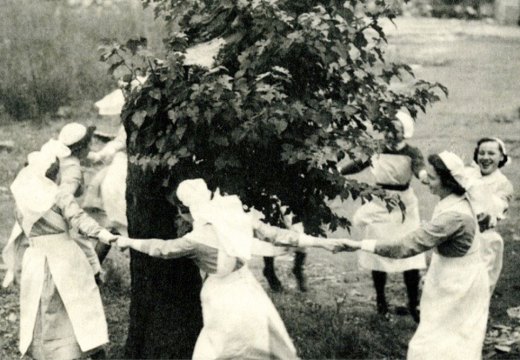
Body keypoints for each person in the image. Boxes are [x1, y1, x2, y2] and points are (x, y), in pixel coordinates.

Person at [106, 179, 344, 360]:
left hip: (220, 295)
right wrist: (322, 242)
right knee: (258, 345)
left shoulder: (196, 239)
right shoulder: (233, 217)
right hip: (247, 289)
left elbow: (162, 249)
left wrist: (129, 242)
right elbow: (275, 234)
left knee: (217, 349)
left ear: (184, 210)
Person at [338, 151, 490, 360]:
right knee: (448, 338)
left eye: (433, 177)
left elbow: (404, 247)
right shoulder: (455, 199)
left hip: (459, 284)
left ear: (448, 181)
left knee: (443, 341)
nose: (426, 181)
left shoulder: (453, 217)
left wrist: (359, 244)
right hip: (451, 275)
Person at [6, 139, 117, 359]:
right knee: (76, 306)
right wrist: (104, 234)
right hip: (65, 259)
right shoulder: (59, 196)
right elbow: (79, 220)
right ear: (54, 174)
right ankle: (80, 351)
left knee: (46, 307)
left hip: (36, 261)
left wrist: (14, 268)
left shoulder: (24, 199)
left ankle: (51, 352)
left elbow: (18, 235)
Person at [339, 110, 427, 321]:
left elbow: (419, 168)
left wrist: (424, 176)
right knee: (377, 251)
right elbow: (358, 164)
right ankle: (381, 300)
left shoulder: (411, 152)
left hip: (404, 205)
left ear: (404, 132)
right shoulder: (375, 149)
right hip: (379, 202)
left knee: (409, 252)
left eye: (394, 130)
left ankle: (413, 302)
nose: (389, 134)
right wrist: (339, 170)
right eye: (386, 129)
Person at [466, 137, 513, 294]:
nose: (485, 158)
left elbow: (497, 209)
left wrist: (486, 214)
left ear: (501, 157)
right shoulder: (468, 175)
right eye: (482, 153)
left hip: (484, 240)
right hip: (462, 237)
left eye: (491, 153)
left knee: (480, 284)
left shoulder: (502, 184)